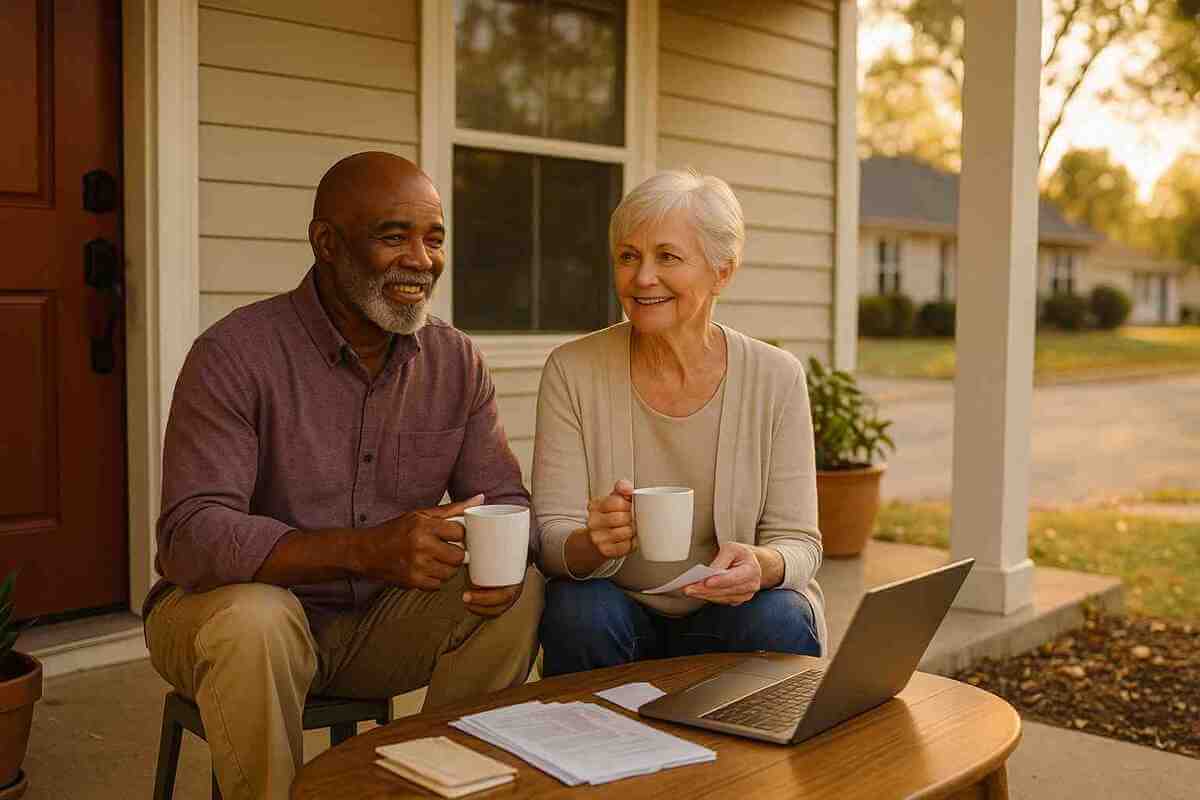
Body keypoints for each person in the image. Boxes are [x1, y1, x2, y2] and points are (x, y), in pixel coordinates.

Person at [143, 152, 544, 800]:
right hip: (226, 617)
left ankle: (439, 788)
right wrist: (367, 550)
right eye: (394, 236)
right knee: (259, 620)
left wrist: (499, 547)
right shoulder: (234, 355)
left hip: (375, 628)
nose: (422, 259)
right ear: (327, 243)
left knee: (516, 587)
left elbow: (503, 498)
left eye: (433, 238)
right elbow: (191, 536)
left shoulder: (455, 361)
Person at [533, 169, 826, 676]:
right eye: (629, 256)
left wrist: (763, 566)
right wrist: (589, 544)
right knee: (578, 611)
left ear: (722, 272)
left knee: (781, 615)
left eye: (667, 256)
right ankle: (591, 752)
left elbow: (799, 542)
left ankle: (760, 756)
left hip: (727, 612)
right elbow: (552, 538)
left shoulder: (776, 378)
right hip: (616, 609)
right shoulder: (571, 369)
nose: (643, 278)